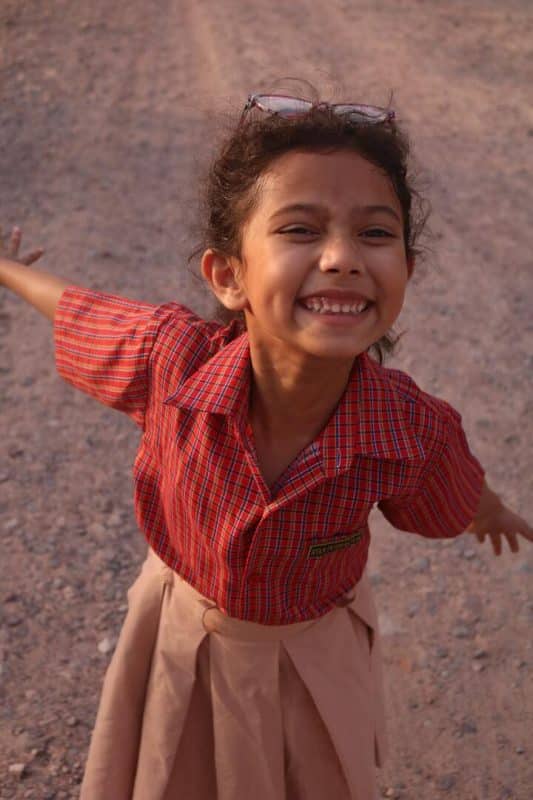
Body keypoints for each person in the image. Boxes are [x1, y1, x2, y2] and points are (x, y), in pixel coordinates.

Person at [1, 91, 531, 800]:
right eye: (299, 230)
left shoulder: (411, 428)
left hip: (310, 654)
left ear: (406, 266)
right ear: (228, 276)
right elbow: (78, 309)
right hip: (180, 632)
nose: (342, 258)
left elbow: (453, 491)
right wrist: (8, 270)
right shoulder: (169, 360)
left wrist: (488, 511)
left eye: (375, 233)